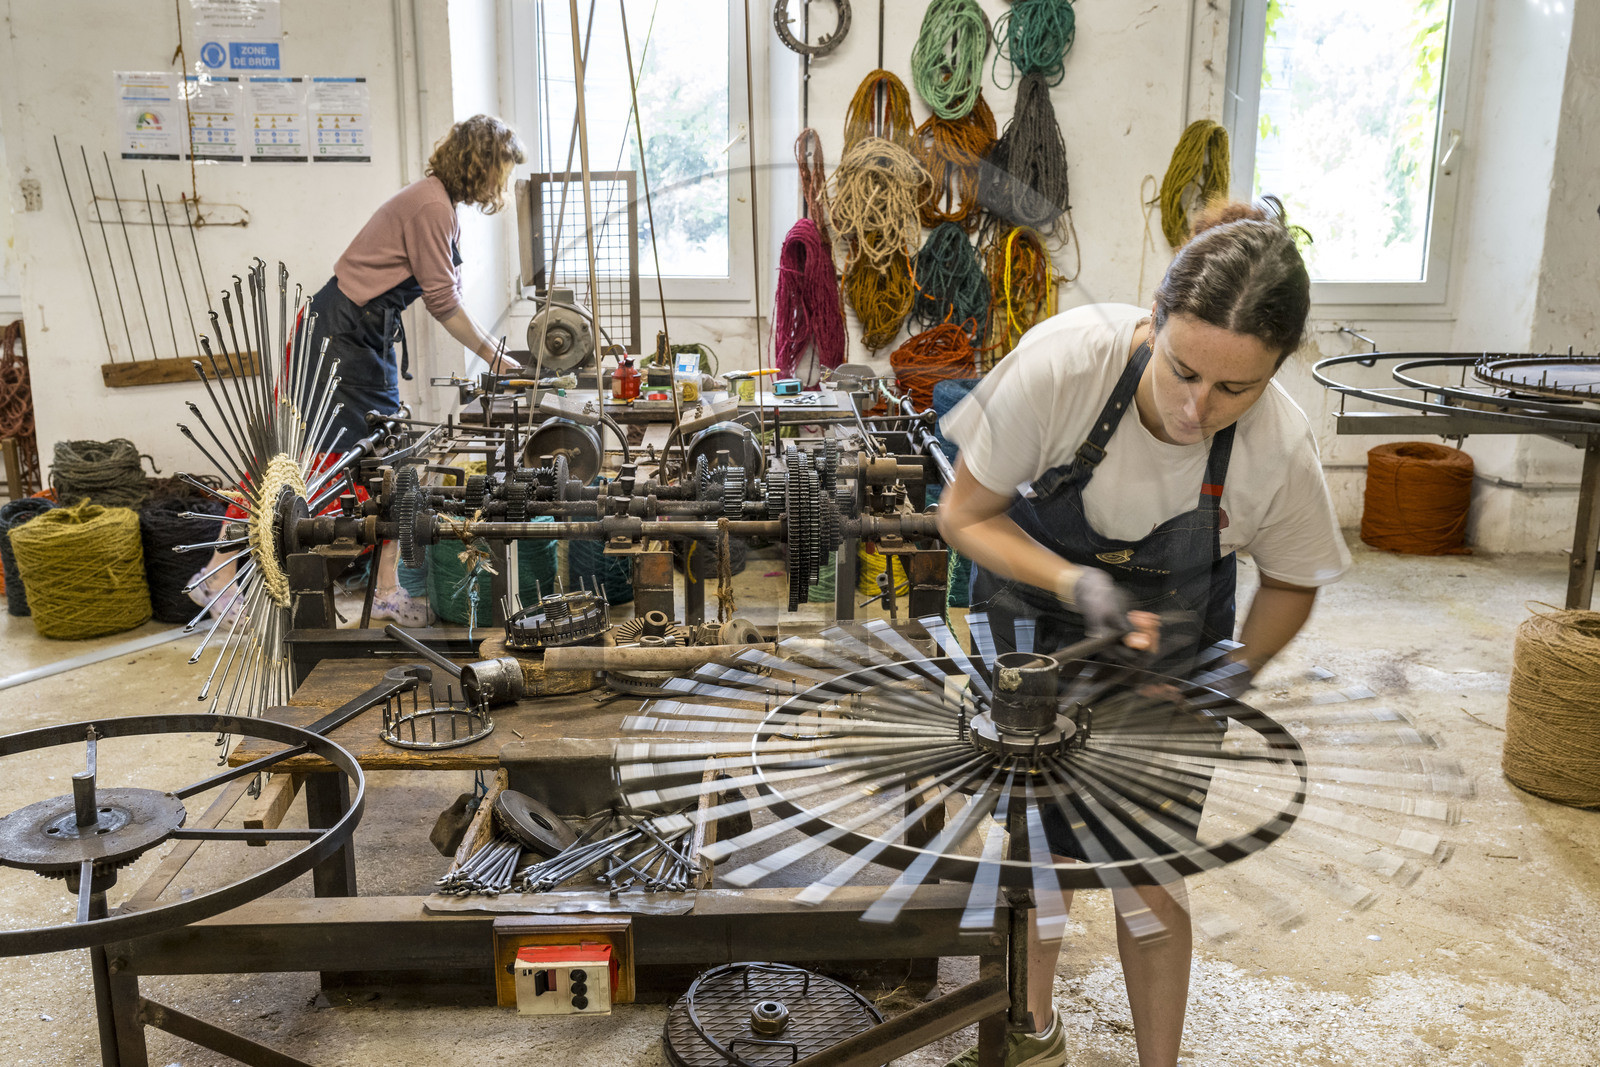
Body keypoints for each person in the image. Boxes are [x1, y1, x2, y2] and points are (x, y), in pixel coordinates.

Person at [935, 200, 1350, 1067]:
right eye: (1183, 369)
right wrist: (1079, 581)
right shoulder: (1063, 367)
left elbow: (1293, 581)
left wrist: (1227, 675)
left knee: (1148, 862)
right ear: (1152, 321)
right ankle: (1032, 1031)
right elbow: (966, 514)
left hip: (1181, 637)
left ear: (1276, 370)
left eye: (1235, 387)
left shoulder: (1278, 445)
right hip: (1033, 606)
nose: (1200, 406)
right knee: (1037, 848)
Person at [192, 115, 529, 627]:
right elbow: (443, 303)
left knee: (390, 456)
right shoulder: (431, 206)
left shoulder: (439, 204)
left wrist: (496, 354)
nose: (501, 183)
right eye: (501, 169)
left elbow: (448, 288)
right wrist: (496, 359)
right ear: (483, 164)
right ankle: (216, 573)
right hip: (339, 336)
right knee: (306, 453)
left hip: (361, 332)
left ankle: (386, 590)